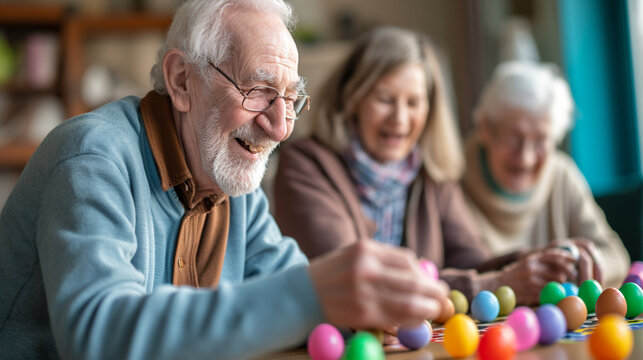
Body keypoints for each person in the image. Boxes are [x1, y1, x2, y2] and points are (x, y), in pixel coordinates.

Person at [0, 2, 449, 359]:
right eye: (258, 90)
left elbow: (295, 292)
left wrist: (371, 309)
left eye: (290, 98)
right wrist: (314, 293)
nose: (280, 127)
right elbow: (96, 335)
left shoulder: (232, 182)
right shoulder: (93, 158)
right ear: (181, 81)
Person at [273, 27, 577, 307]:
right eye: (385, 99)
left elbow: (473, 261)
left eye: (414, 102)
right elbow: (354, 280)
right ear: (352, 97)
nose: (400, 119)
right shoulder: (304, 165)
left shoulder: (431, 174)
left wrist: (536, 263)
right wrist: (498, 283)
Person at [461, 60, 630, 292]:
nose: (526, 157)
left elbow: (616, 256)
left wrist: (577, 261)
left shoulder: (562, 174)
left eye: (541, 141)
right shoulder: (453, 176)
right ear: (486, 129)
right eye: (514, 138)